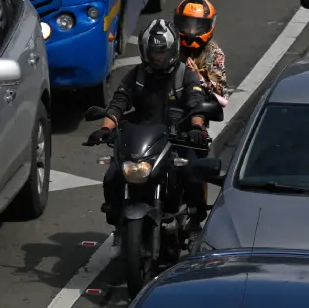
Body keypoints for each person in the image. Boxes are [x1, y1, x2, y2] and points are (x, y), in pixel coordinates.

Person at [88, 20, 216, 222]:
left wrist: (197, 127)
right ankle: (117, 220)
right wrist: (105, 128)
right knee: (112, 176)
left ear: (172, 50)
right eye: (154, 53)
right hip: (143, 141)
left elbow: (196, 102)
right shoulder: (136, 75)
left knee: (193, 175)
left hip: (178, 140)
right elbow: (118, 103)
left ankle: (194, 223)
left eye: (162, 52)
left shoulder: (185, 75)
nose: (158, 58)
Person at [172, 0, 229, 105]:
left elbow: (223, 96)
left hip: (197, 108)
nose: (191, 31)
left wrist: (199, 77)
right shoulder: (172, 46)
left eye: (197, 27)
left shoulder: (214, 54)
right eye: (187, 26)